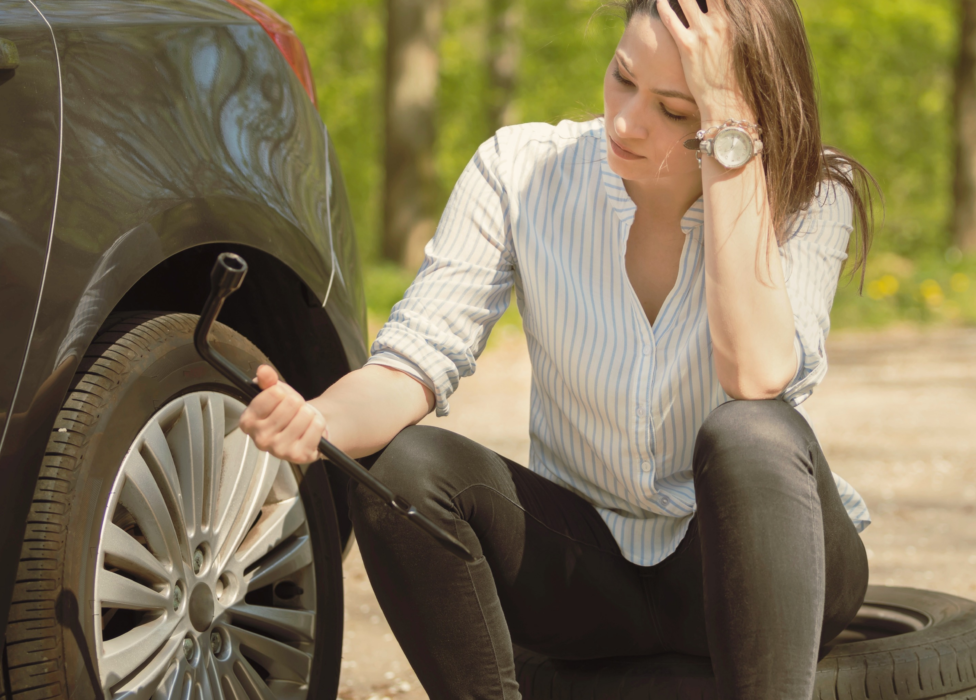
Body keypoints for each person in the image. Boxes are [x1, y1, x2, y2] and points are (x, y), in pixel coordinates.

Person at [238, 0, 878, 697]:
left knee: (750, 430)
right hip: (586, 579)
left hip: (752, 565)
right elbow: (411, 362)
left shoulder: (813, 192)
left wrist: (730, 131)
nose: (629, 121)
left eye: (675, 109)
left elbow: (755, 373)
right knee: (401, 467)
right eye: (623, 77)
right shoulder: (520, 170)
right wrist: (318, 419)